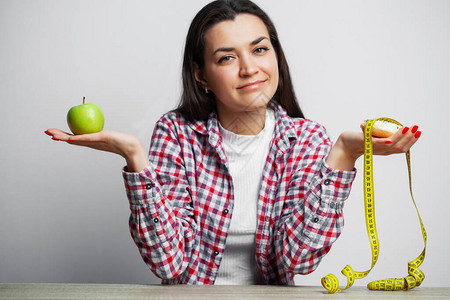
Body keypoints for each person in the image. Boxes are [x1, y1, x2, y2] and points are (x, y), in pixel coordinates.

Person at [45, 0, 421, 285]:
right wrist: (135, 160)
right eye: (227, 57)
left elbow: (298, 262)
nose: (249, 68)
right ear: (201, 75)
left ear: (276, 56)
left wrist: (343, 154)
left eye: (260, 49)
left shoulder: (306, 139)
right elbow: (168, 263)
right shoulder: (177, 133)